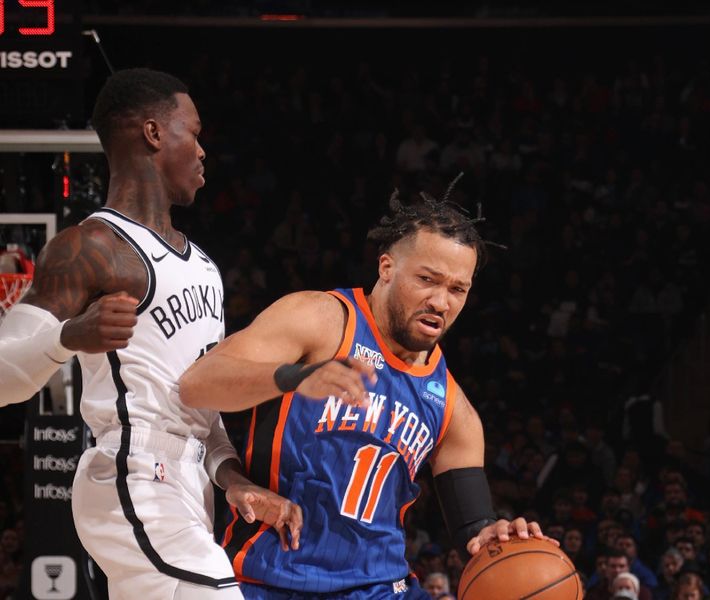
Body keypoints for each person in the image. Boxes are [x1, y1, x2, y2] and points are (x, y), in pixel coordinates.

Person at [0, 68, 301, 599]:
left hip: (189, 488)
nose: (204, 150)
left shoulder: (205, 268)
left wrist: (235, 481)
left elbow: (203, 413)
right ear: (154, 133)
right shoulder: (90, 247)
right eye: (195, 131)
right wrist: (67, 337)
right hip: (132, 470)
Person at [180, 189, 557, 598]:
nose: (440, 301)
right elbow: (199, 384)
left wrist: (497, 535)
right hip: (269, 579)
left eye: (457, 289)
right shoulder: (322, 320)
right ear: (387, 267)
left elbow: (473, 530)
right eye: (427, 279)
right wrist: (293, 377)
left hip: (381, 586)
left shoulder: (453, 408)